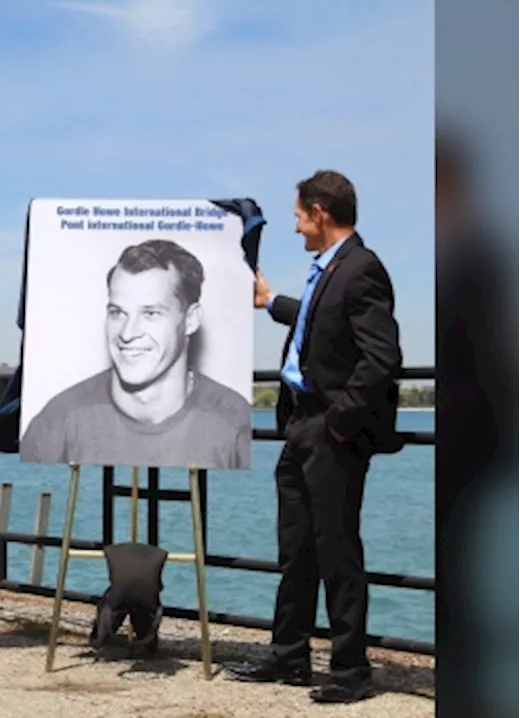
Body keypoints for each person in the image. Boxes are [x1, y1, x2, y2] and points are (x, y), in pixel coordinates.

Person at [227, 170, 402, 704]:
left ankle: (350, 670)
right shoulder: (330, 270)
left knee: (337, 550)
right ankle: (289, 656)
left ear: (320, 213)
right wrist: (271, 300)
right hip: (301, 426)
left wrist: (339, 420)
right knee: (297, 547)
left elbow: (381, 357)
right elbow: (319, 322)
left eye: (300, 216)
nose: (297, 226)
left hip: (329, 430)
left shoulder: (362, 268)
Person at [18, 238, 251, 470]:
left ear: (190, 320)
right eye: (117, 313)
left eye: (151, 313)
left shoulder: (234, 422)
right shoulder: (59, 420)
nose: (127, 333)